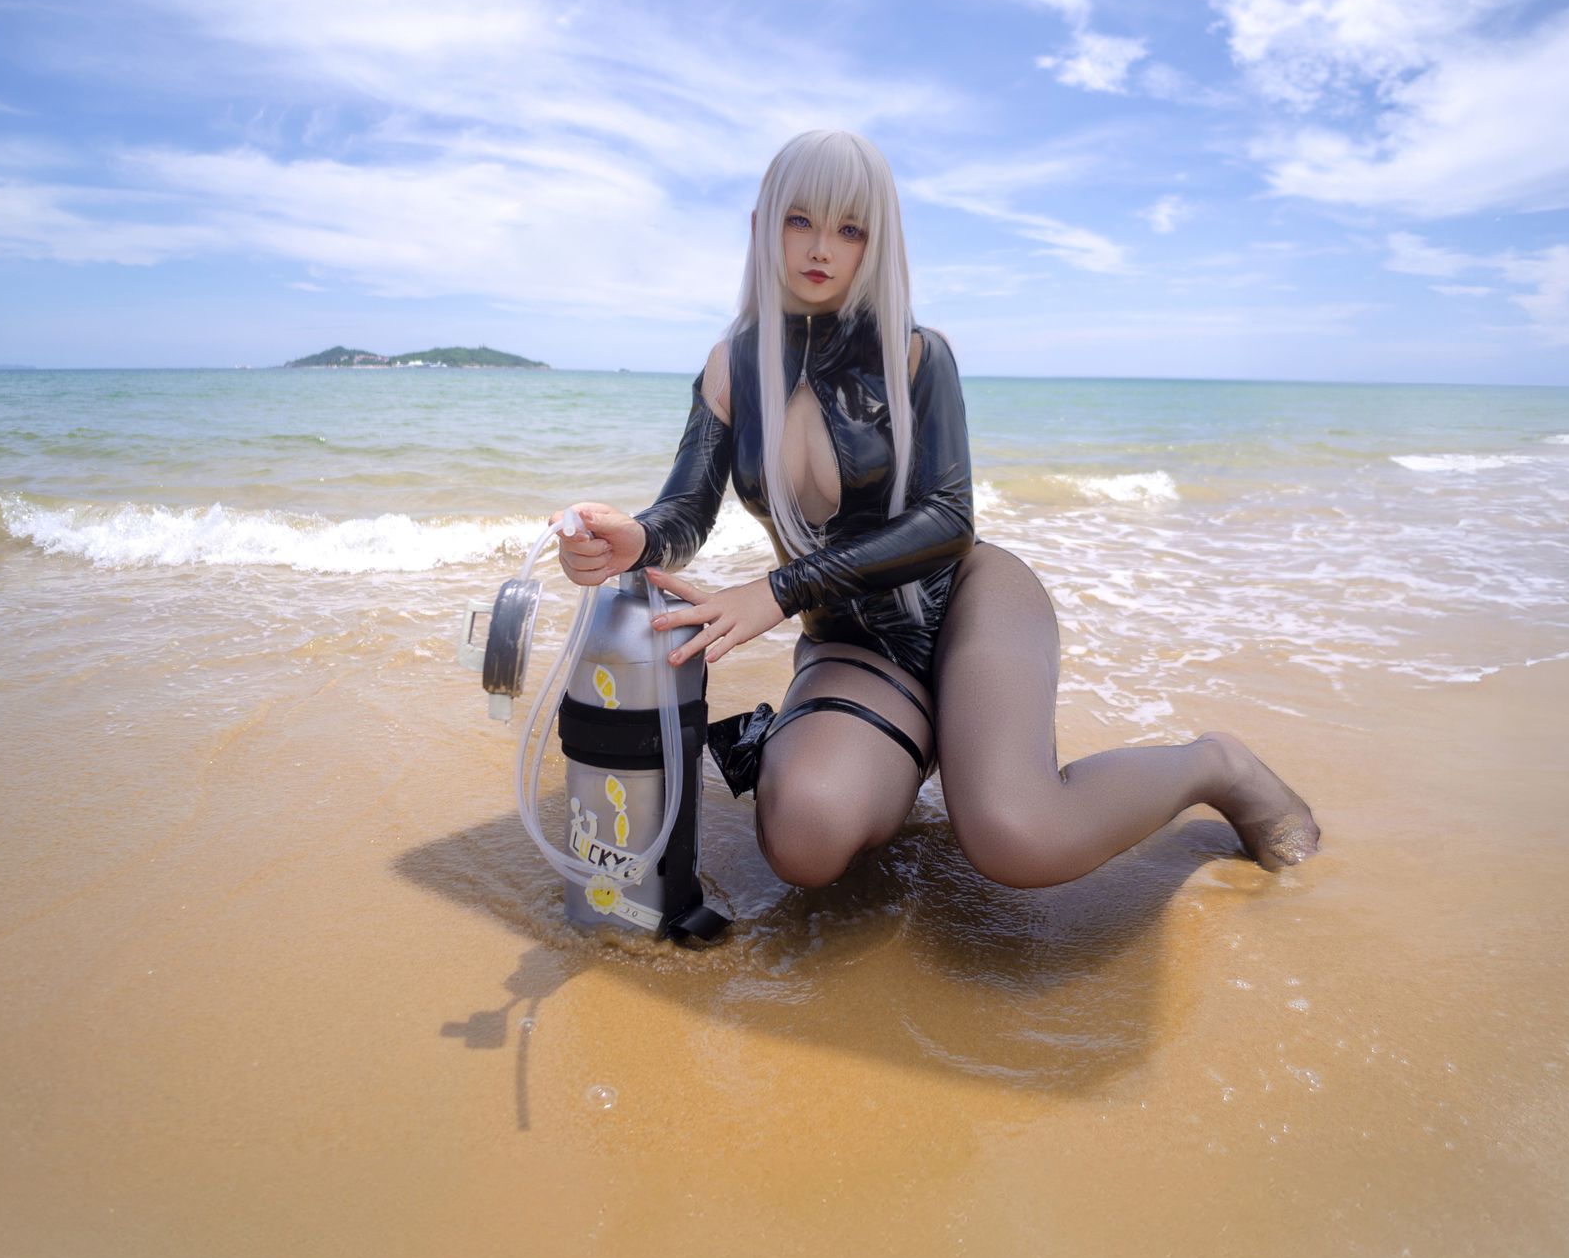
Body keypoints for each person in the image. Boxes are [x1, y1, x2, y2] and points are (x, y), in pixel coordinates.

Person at [554, 129, 1319, 891]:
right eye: (800, 221)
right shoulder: (731, 365)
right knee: (803, 838)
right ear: (762, 226)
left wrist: (777, 592)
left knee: (1016, 839)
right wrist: (635, 539)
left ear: (877, 242)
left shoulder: (915, 353)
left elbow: (949, 520)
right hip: (854, 647)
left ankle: (1214, 764)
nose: (821, 248)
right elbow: (686, 509)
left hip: (970, 603)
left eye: (849, 229)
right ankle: (904, 751)